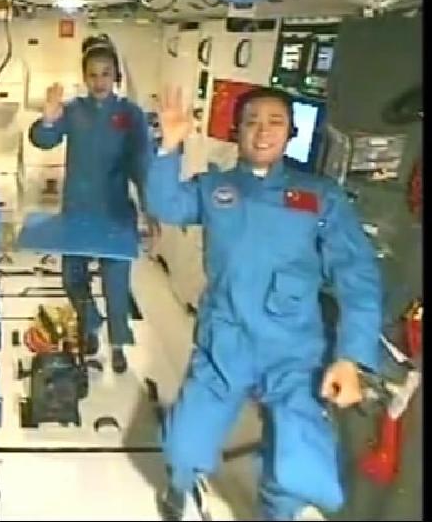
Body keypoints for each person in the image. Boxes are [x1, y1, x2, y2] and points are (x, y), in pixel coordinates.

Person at [147, 85, 383, 521]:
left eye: (275, 123)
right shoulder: (215, 187)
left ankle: (279, 511)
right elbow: (164, 203)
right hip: (226, 342)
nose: (262, 132)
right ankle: (179, 487)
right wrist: (169, 148)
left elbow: (358, 276)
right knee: (183, 444)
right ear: (235, 130)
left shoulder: (319, 196)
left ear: (292, 133)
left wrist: (351, 357)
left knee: (295, 465)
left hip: (294, 351)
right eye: (252, 121)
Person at [28, 34, 159, 374]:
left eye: (106, 73)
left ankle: (118, 344)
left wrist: (150, 210)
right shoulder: (73, 112)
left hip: (115, 213)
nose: (99, 81)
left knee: (116, 284)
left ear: (116, 76)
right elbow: (43, 140)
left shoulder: (131, 115)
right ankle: (90, 324)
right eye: (93, 74)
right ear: (84, 77)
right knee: (72, 278)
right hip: (78, 211)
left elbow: (142, 165)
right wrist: (47, 119)